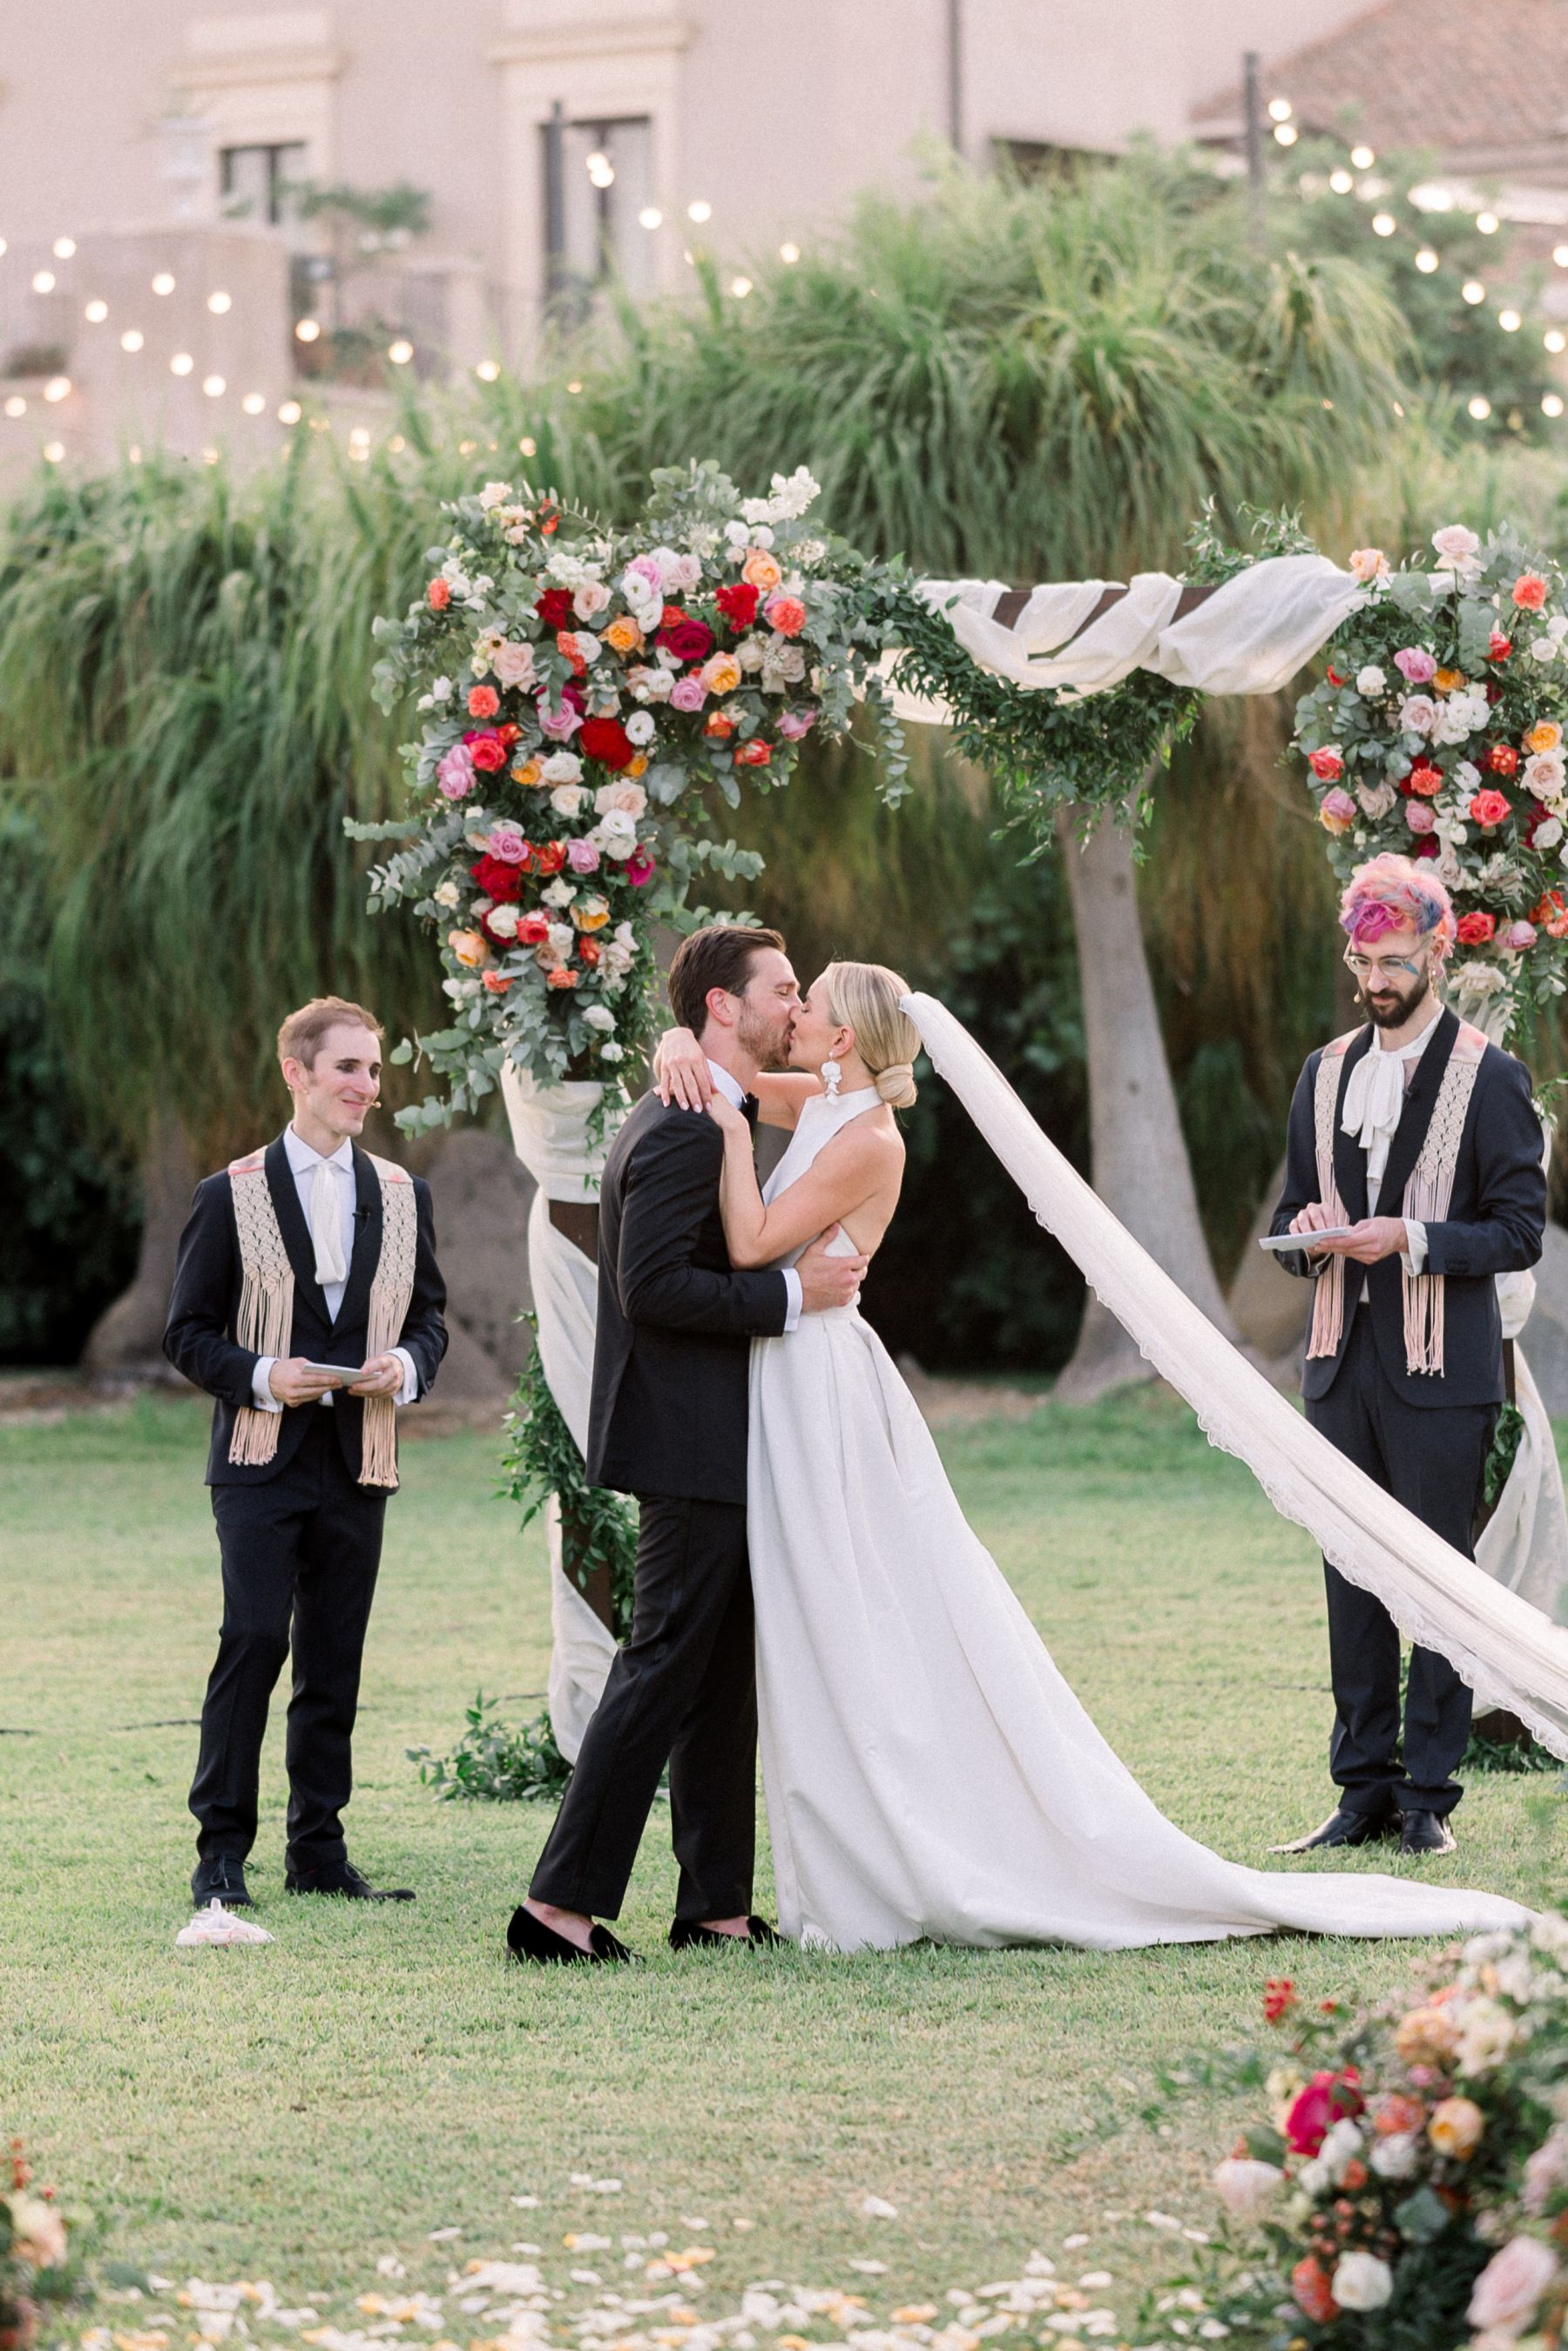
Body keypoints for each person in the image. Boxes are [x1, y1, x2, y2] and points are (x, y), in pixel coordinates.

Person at [639, 958, 1531, 1954]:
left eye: (807, 1003)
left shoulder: (867, 1135)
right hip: (785, 1376)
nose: (793, 1010)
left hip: (821, 1384)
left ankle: (896, 1838)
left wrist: (729, 1138)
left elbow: (751, 1238)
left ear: (843, 1038)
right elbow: (729, 1073)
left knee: (861, 1600)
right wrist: (677, 1037)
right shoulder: (817, 1098)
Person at [507, 927, 868, 1966]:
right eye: (781, 989)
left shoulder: (717, 1105)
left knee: (718, 1669)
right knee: (663, 1657)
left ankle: (714, 1905)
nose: (794, 1005)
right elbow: (652, 1287)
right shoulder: (679, 1125)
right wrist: (794, 1295)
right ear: (723, 1004)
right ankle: (556, 1909)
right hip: (688, 1437)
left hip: (726, 1436)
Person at [1269, 855, 1546, 1857]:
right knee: (1350, 1578)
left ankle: (1428, 1792)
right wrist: (1308, 1233)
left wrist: (1414, 1238)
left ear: (1436, 950)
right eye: (1362, 960)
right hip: (1338, 1364)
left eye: (1393, 960)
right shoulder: (1322, 1071)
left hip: (1442, 1373)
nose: (1376, 979)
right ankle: (1361, 1787)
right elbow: (1291, 1212)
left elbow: (1519, 1230)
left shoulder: (1491, 1076)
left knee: (1437, 1580)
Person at [165, 996, 448, 1909]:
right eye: (349, 1068)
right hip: (258, 1459)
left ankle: (319, 1853)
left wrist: (405, 1365)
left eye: (374, 1069)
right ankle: (220, 1854)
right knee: (253, 1638)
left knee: (334, 1655)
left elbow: (430, 1318)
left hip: (360, 1458)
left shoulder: (403, 1194)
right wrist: (261, 1374)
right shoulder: (227, 1194)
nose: (368, 1085)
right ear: (297, 1072)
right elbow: (186, 1332)